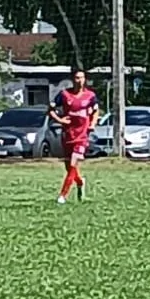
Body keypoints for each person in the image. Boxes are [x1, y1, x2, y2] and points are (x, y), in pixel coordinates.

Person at [50, 69, 100, 204]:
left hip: (82, 136)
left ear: (85, 79)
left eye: (82, 78)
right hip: (68, 135)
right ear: (73, 80)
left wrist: (93, 124)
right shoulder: (64, 95)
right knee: (70, 168)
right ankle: (80, 182)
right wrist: (60, 120)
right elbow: (50, 110)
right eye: (77, 78)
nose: (79, 81)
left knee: (73, 163)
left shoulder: (90, 96)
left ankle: (63, 195)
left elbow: (96, 111)